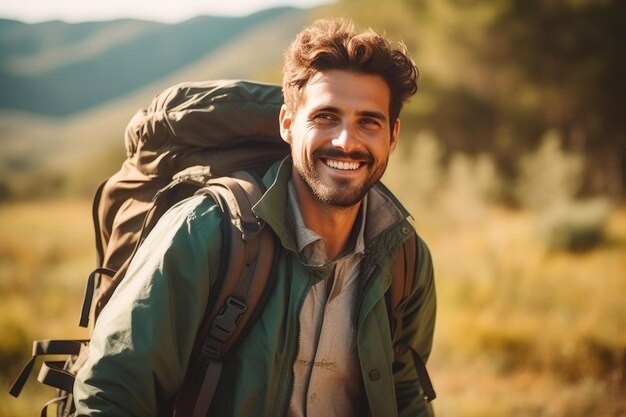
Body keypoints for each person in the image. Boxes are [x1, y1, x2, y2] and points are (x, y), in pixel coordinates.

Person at [74, 17, 436, 417]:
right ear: (288, 124)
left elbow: (405, 392)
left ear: (393, 135)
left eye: (368, 121)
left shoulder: (403, 256)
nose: (346, 142)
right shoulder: (206, 232)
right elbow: (111, 392)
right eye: (326, 117)